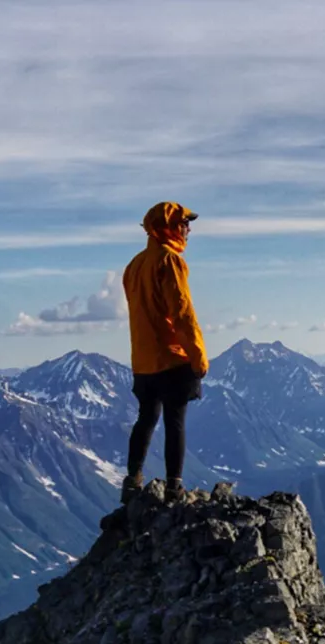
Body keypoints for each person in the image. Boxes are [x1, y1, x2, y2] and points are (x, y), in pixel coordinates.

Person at [121, 201, 209, 502]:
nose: (188, 229)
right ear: (170, 227)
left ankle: (132, 479)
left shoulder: (134, 265)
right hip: (172, 358)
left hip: (143, 362)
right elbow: (182, 313)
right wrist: (198, 358)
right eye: (184, 223)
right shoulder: (169, 261)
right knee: (175, 421)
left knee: (146, 418)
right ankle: (174, 486)